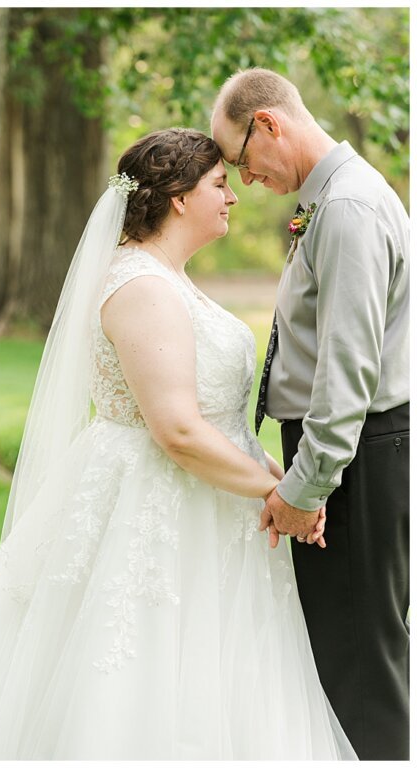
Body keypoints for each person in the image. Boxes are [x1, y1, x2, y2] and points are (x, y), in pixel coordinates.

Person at [0, 128, 354, 760]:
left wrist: (280, 482)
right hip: (157, 504)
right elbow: (174, 429)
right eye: (219, 186)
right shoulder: (142, 286)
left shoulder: (168, 276)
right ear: (177, 197)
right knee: (139, 672)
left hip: (212, 506)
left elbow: (209, 420)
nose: (232, 199)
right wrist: (281, 491)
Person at [210, 68, 409, 761]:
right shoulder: (325, 201)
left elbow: (349, 369)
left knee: (360, 663)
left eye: (241, 161)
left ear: (268, 125)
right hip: (340, 453)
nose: (249, 180)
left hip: (350, 457)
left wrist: (306, 485)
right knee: (336, 656)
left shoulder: (348, 208)